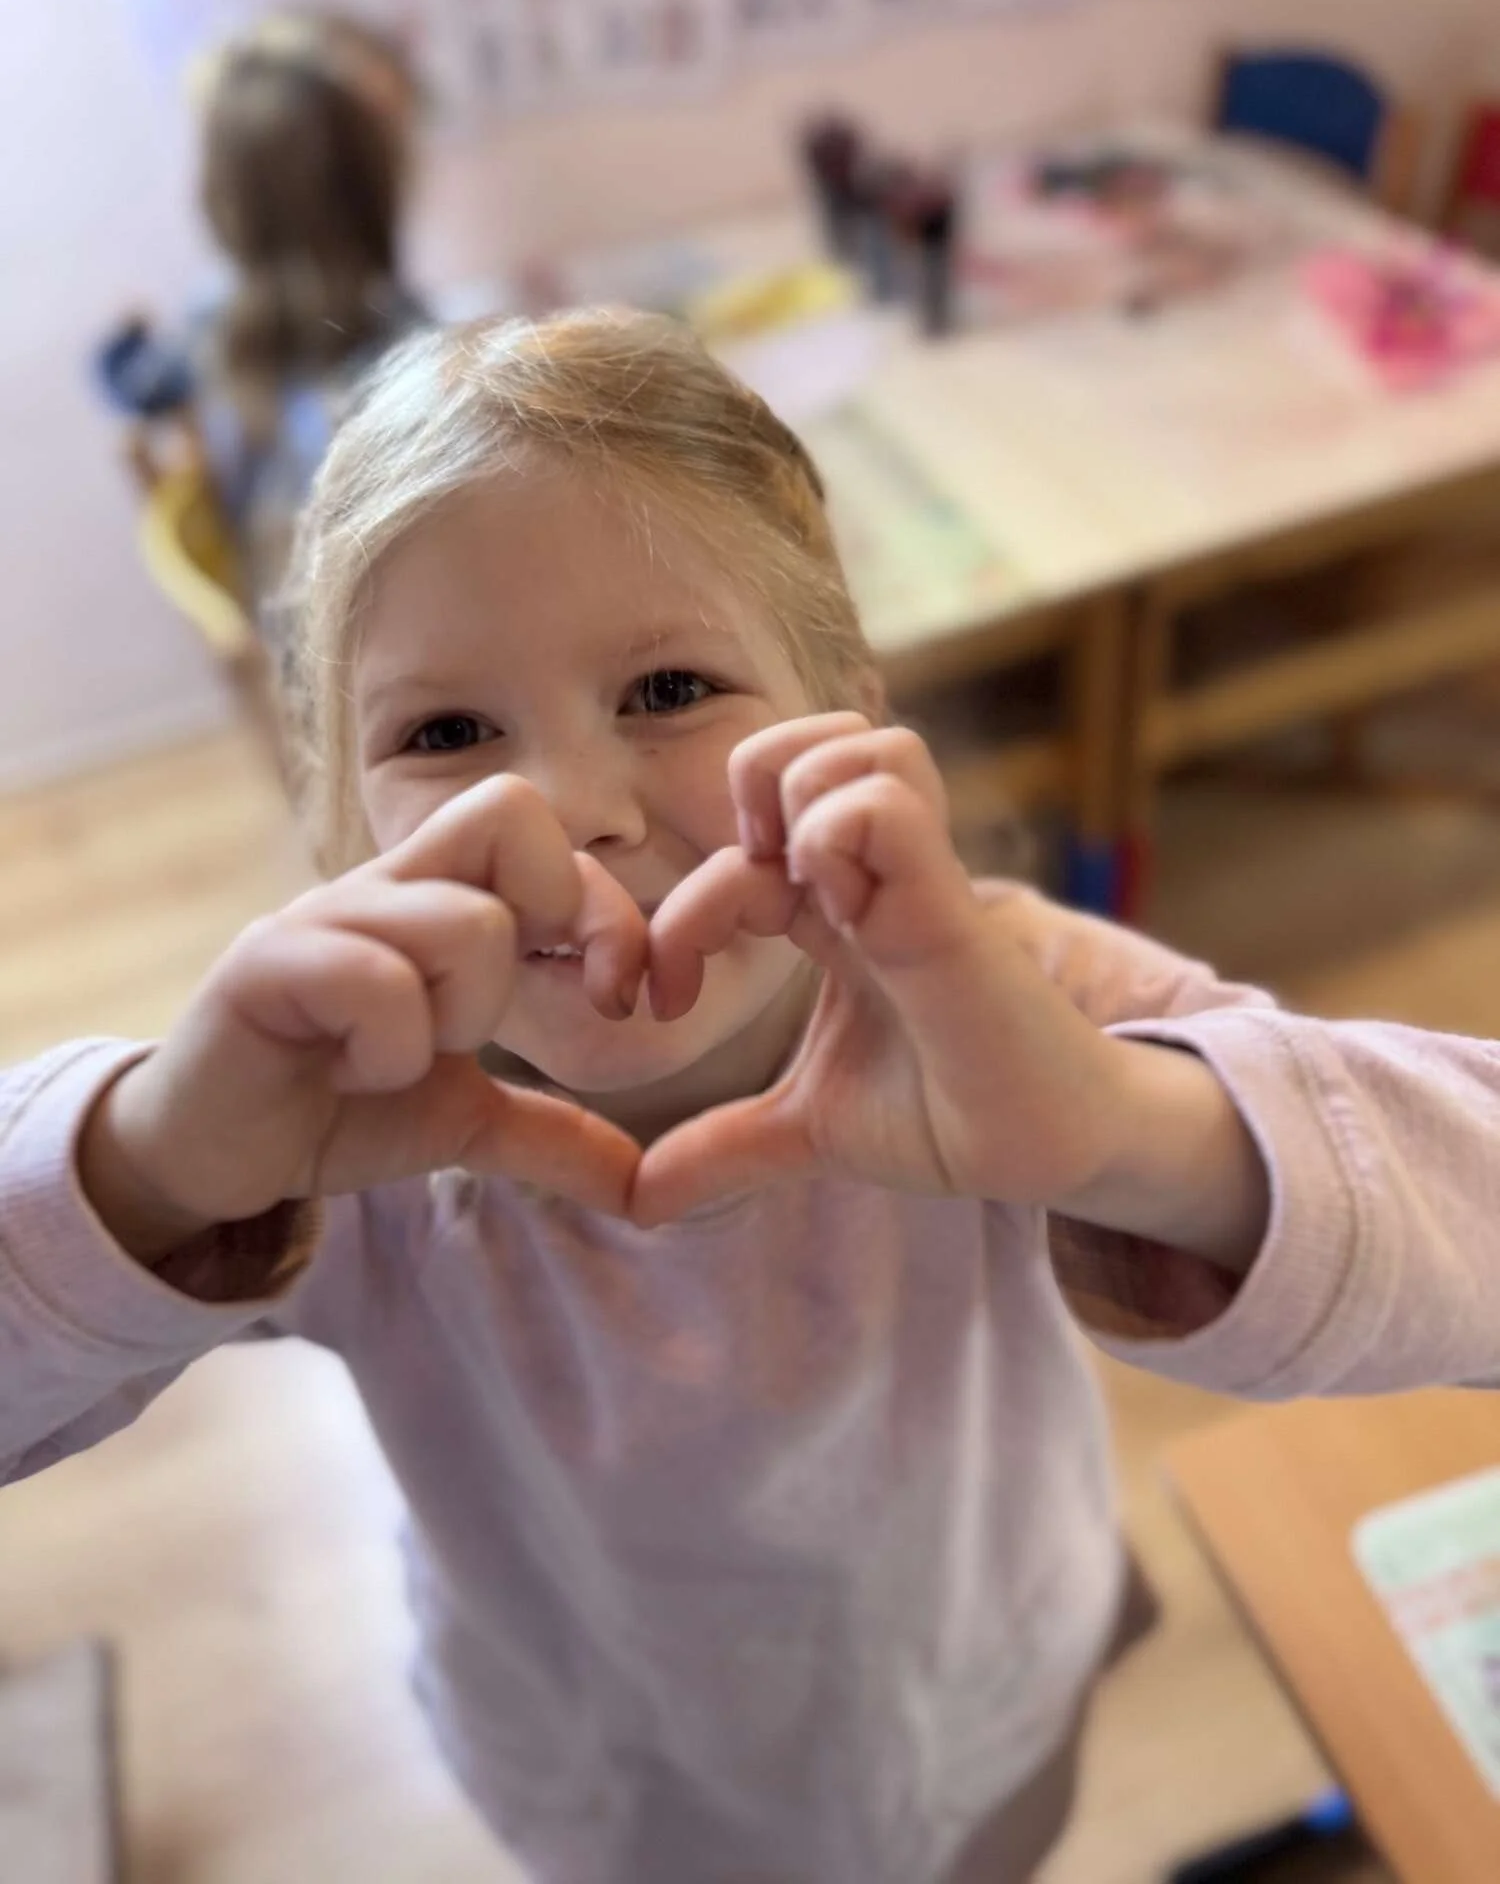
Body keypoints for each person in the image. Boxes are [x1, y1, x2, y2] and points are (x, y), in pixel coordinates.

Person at [6, 310, 1500, 1884]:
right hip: (607, 1795)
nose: (574, 812)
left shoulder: (995, 1005)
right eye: (446, 731)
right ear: (342, 830)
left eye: (667, 687)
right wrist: (149, 1168)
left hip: (981, 1722)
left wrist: (1133, 1128)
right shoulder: (329, 1133)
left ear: (841, 720)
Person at [96, 7, 428, 623]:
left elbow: (134, 387)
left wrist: (120, 344)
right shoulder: (401, 349)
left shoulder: (210, 320)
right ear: (374, 186)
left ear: (219, 196)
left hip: (277, 621)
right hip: (375, 641)